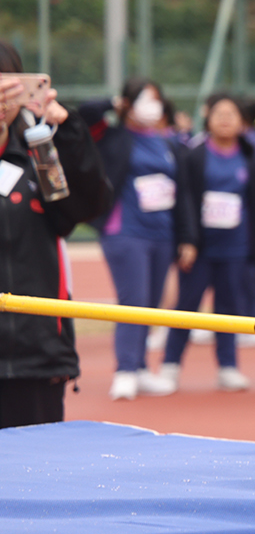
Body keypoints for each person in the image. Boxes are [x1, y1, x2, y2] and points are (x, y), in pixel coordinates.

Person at [0, 50, 112, 427]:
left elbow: (86, 208)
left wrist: (68, 133)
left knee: (35, 462)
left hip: (37, 353)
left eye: (9, 87)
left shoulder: (40, 151)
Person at [81, 79, 195, 400]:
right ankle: (126, 370)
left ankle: (141, 367)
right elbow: (83, 116)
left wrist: (187, 237)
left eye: (156, 99)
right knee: (133, 301)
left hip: (163, 233)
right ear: (128, 104)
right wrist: (113, 103)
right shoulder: (111, 136)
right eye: (144, 99)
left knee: (152, 304)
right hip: (126, 231)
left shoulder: (168, 143)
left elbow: (182, 193)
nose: (152, 105)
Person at [161, 93, 255, 392]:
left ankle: (228, 367)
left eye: (232, 114)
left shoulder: (250, 156)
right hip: (200, 248)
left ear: (242, 122)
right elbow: (185, 200)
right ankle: (170, 366)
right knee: (187, 307)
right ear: (208, 120)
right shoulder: (194, 156)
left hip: (235, 247)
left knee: (228, 309)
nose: (225, 120)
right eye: (219, 114)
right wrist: (187, 240)